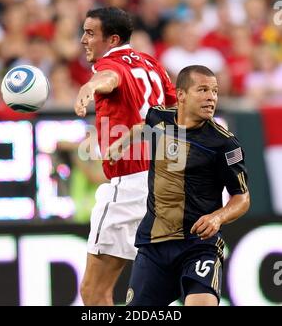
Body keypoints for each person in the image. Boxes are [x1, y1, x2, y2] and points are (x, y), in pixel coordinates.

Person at [106, 65, 250, 306]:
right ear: (180, 94)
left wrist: (217, 217)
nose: (211, 97)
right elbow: (143, 126)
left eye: (214, 91)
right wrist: (122, 141)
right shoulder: (158, 117)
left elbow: (242, 197)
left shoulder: (225, 145)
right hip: (154, 246)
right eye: (203, 90)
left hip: (198, 245)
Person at [74, 7, 176, 305]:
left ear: (112, 39)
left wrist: (90, 86)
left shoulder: (110, 65)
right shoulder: (153, 64)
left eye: (90, 33)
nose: (83, 40)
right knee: (153, 292)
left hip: (130, 185)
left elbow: (109, 77)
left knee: (94, 291)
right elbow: (175, 112)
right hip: (167, 182)